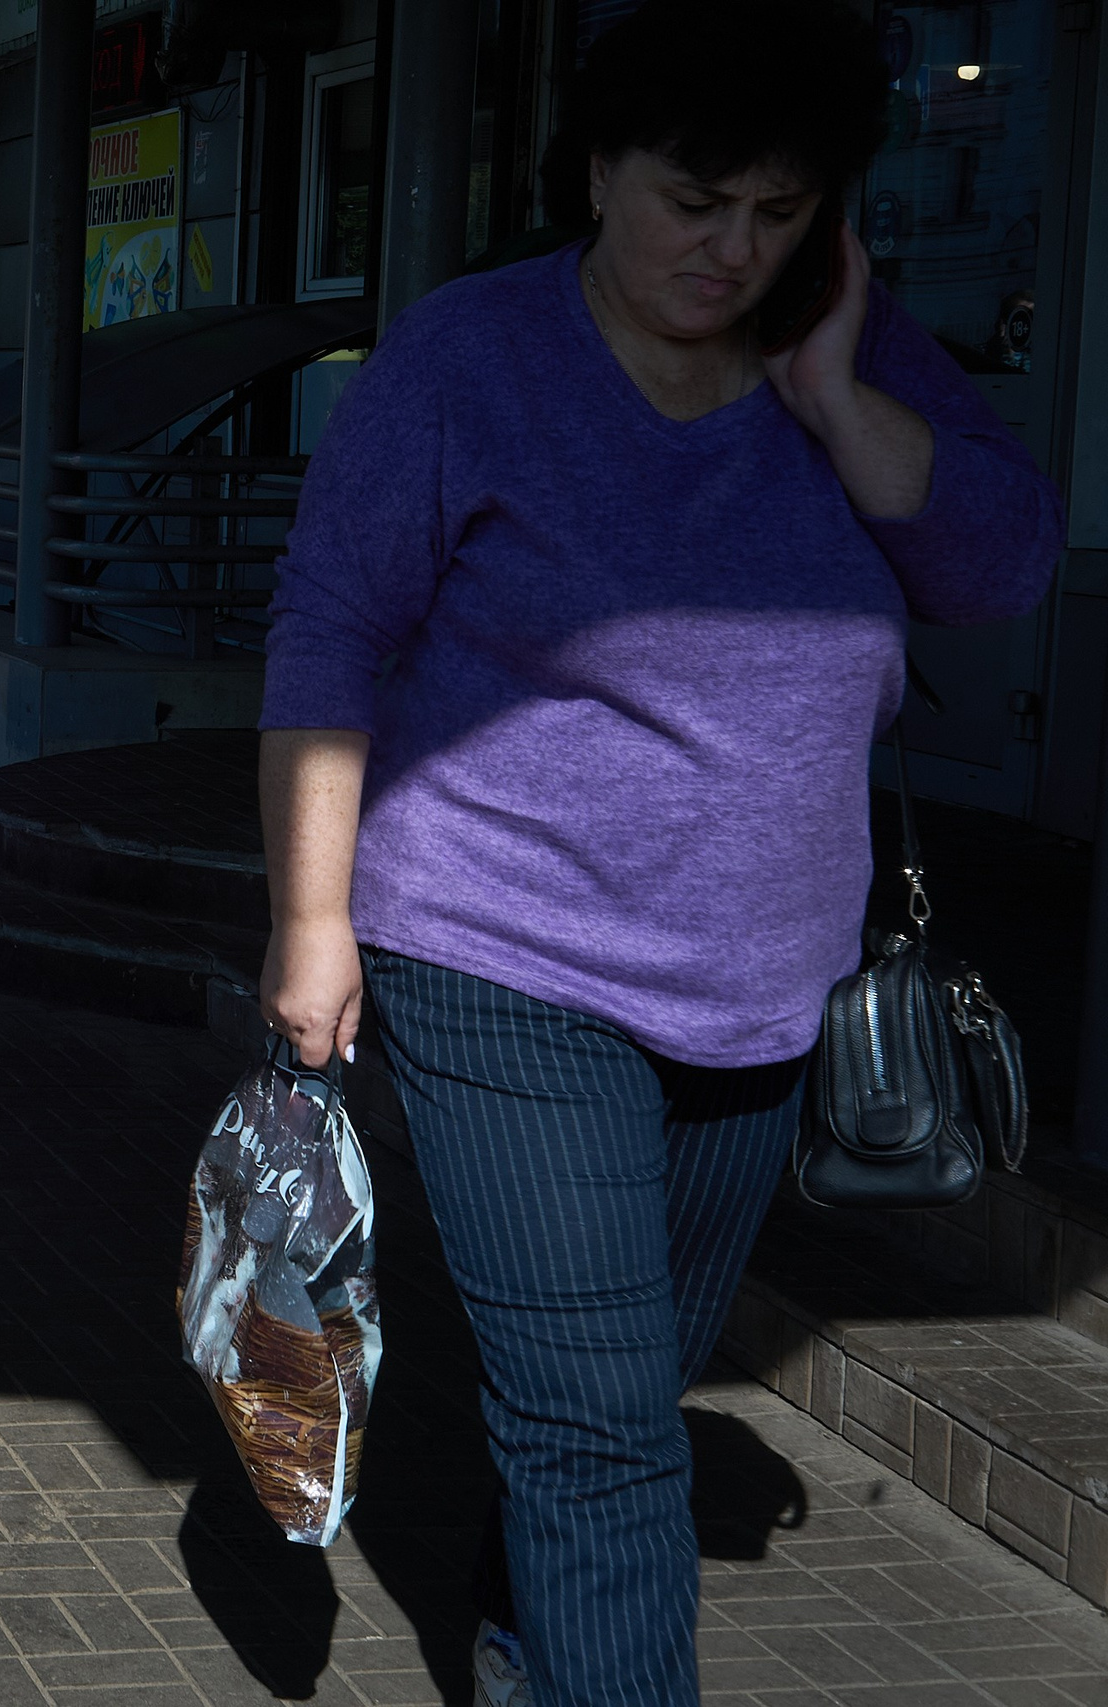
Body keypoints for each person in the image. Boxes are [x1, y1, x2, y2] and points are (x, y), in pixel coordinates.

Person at [252, 4, 1064, 1704]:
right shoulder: (473, 360)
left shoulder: (845, 342)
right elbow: (330, 628)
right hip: (501, 945)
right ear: (597, 174)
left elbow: (997, 566)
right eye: (696, 202)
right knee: (606, 1428)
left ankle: (517, 1625)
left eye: (779, 211)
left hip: (761, 982)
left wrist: (833, 396)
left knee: (625, 1379)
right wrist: (313, 917)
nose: (734, 250)